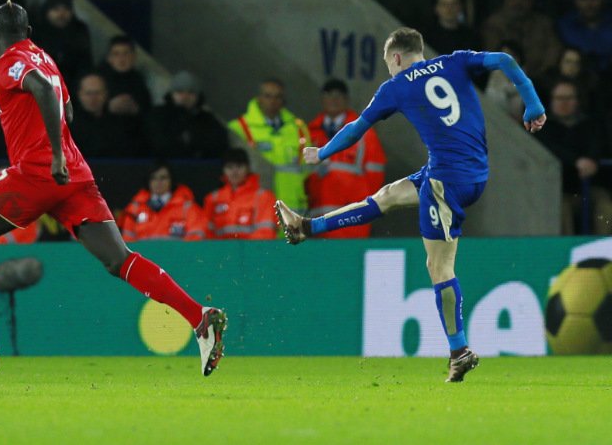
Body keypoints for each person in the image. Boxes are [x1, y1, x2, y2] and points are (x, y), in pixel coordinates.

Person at [0, 1, 226, 380]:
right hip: (75, 176)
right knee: (119, 259)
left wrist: (55, 155)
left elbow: (43, 91)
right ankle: (199, 318)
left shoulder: (9, 62)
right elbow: (66, 111)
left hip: (37, 172)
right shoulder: (44, 58)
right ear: (29, 31)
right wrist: (4, 105)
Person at [275, 27, 546, 383]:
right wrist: (533, 103)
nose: (389, 69)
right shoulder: (455, 61)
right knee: (388, 196)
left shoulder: (396, 86)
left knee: (439, 266)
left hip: (445, 181)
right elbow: (504, 60)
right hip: (473, 172)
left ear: (397, 57)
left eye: (388, 62)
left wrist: (322, 152)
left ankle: (459, 351)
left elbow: (356, 129)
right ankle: (306, 227)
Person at [305, 79, 386, 238]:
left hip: (351, 219)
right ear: (322, 99)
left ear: (346, 99)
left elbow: (376, 175)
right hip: (316, 218)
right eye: (329, 95)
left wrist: (367, 209)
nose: (334, 100)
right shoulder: (309, 133)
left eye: (338, 95)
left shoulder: (363, 132)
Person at [533, 80, 612, 235]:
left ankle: (603, 246)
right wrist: (576, 161)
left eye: (569, 98)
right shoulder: (542, 127)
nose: (564, 103)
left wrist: (592, 160)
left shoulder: (590, 124)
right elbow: (549, 149)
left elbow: (599, 144)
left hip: (589, 187)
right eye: (559, 98)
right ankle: (566, 248)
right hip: (559, 190)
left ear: (577, 101)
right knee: (561, 209)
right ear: (551, 100)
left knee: (606, 207)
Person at [228, 78, 310, 213]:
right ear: (259, 98)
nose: (273, 101)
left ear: (283, 100)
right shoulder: (239, 128)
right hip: (256, 205)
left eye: (278, 97)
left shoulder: (299, 129)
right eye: (268, 96)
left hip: (293, 206)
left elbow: (308, 169)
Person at [146, 71, 228, 159]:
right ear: (172, 94)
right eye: (180, 92)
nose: (185, 97)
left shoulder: (208, 120)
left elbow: (219, 145)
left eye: (191, 92)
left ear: (197, 96)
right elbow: (155, 143)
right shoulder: (158, 116)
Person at [200, 148, 278, 240]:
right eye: (229, 167)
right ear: (223, 170)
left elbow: (266, 233)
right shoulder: (213, 199)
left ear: (248, 168)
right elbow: (205, 233)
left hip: (253, 248)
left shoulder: (264, 197)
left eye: (239, 166)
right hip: (220, 249)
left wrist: (242, 248)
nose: (234, 172)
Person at [119, 162, 205, 242]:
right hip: (143, 253)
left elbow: (195, 239)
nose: (158, 182)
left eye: (163, 178)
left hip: (176, 253)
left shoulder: (187, 208)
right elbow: (127, 241)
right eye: (153, 178)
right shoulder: (134, 209)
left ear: (171, 180)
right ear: (148, 181)